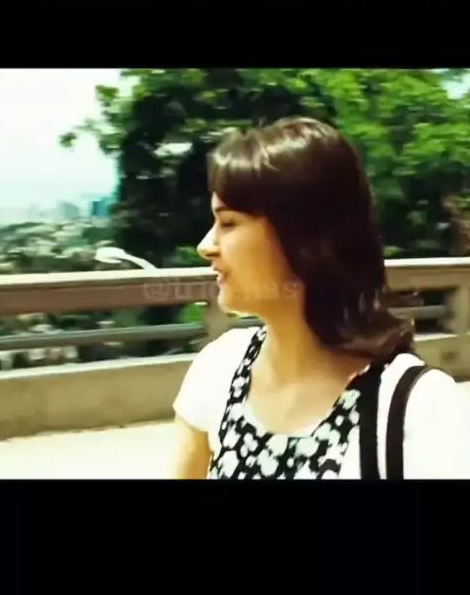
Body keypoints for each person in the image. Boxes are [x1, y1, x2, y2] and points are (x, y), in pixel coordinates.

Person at [169, 117, 468, 479]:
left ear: (302, 238)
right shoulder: (218, 370)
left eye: (228, 223)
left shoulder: (416, 409)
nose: (206, 246)